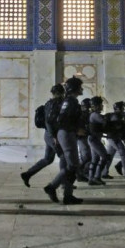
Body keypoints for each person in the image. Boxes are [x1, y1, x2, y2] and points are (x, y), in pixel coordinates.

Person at [43, 76, 83, 205]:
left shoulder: (67, 100)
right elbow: (63, 120)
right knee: (72, 166)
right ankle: (52, 187)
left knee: (72, 166)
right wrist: (76, 130)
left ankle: (68, 195)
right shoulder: (71, 101)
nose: (81, 89)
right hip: (67, 134)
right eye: (80, 87)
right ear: (75, 88)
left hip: (64, 134)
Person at [20, 84, 65, 187]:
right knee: (64, 156)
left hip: (48, 135)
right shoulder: (54, 104)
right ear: (60, 93)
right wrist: (54, 137)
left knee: (48, 159)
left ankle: (27, 174)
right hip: (52, 135)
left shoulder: (49, 103)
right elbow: (49, 122)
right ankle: (63, 182)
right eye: (61, 92)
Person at [105, 101, 125, 179]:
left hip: (112, 138)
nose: (124, 109)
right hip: (114, 138)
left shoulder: (116, 115)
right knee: (124, 154)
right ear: (119, 108)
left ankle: (104, 172)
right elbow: (118, 126)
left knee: (109, 156)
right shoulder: (116, 116)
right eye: (122, 107)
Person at [87, 96, 108, 185]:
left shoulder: (94, 114)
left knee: (95, 159)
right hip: (94, 140)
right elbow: (106, 122)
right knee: (105, 157)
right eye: (101, 104)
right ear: (96, 106)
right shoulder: (95, 115)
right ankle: (96, 177)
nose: (102, 106)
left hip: (94, 139)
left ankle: (91, 178)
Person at [76, 98, 92, 182]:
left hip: (86, 136)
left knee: (88, 156)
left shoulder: (87, 114)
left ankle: (84, 173)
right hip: (81, 137)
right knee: (85, 156)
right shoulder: (81, 114)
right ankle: (79, 174)